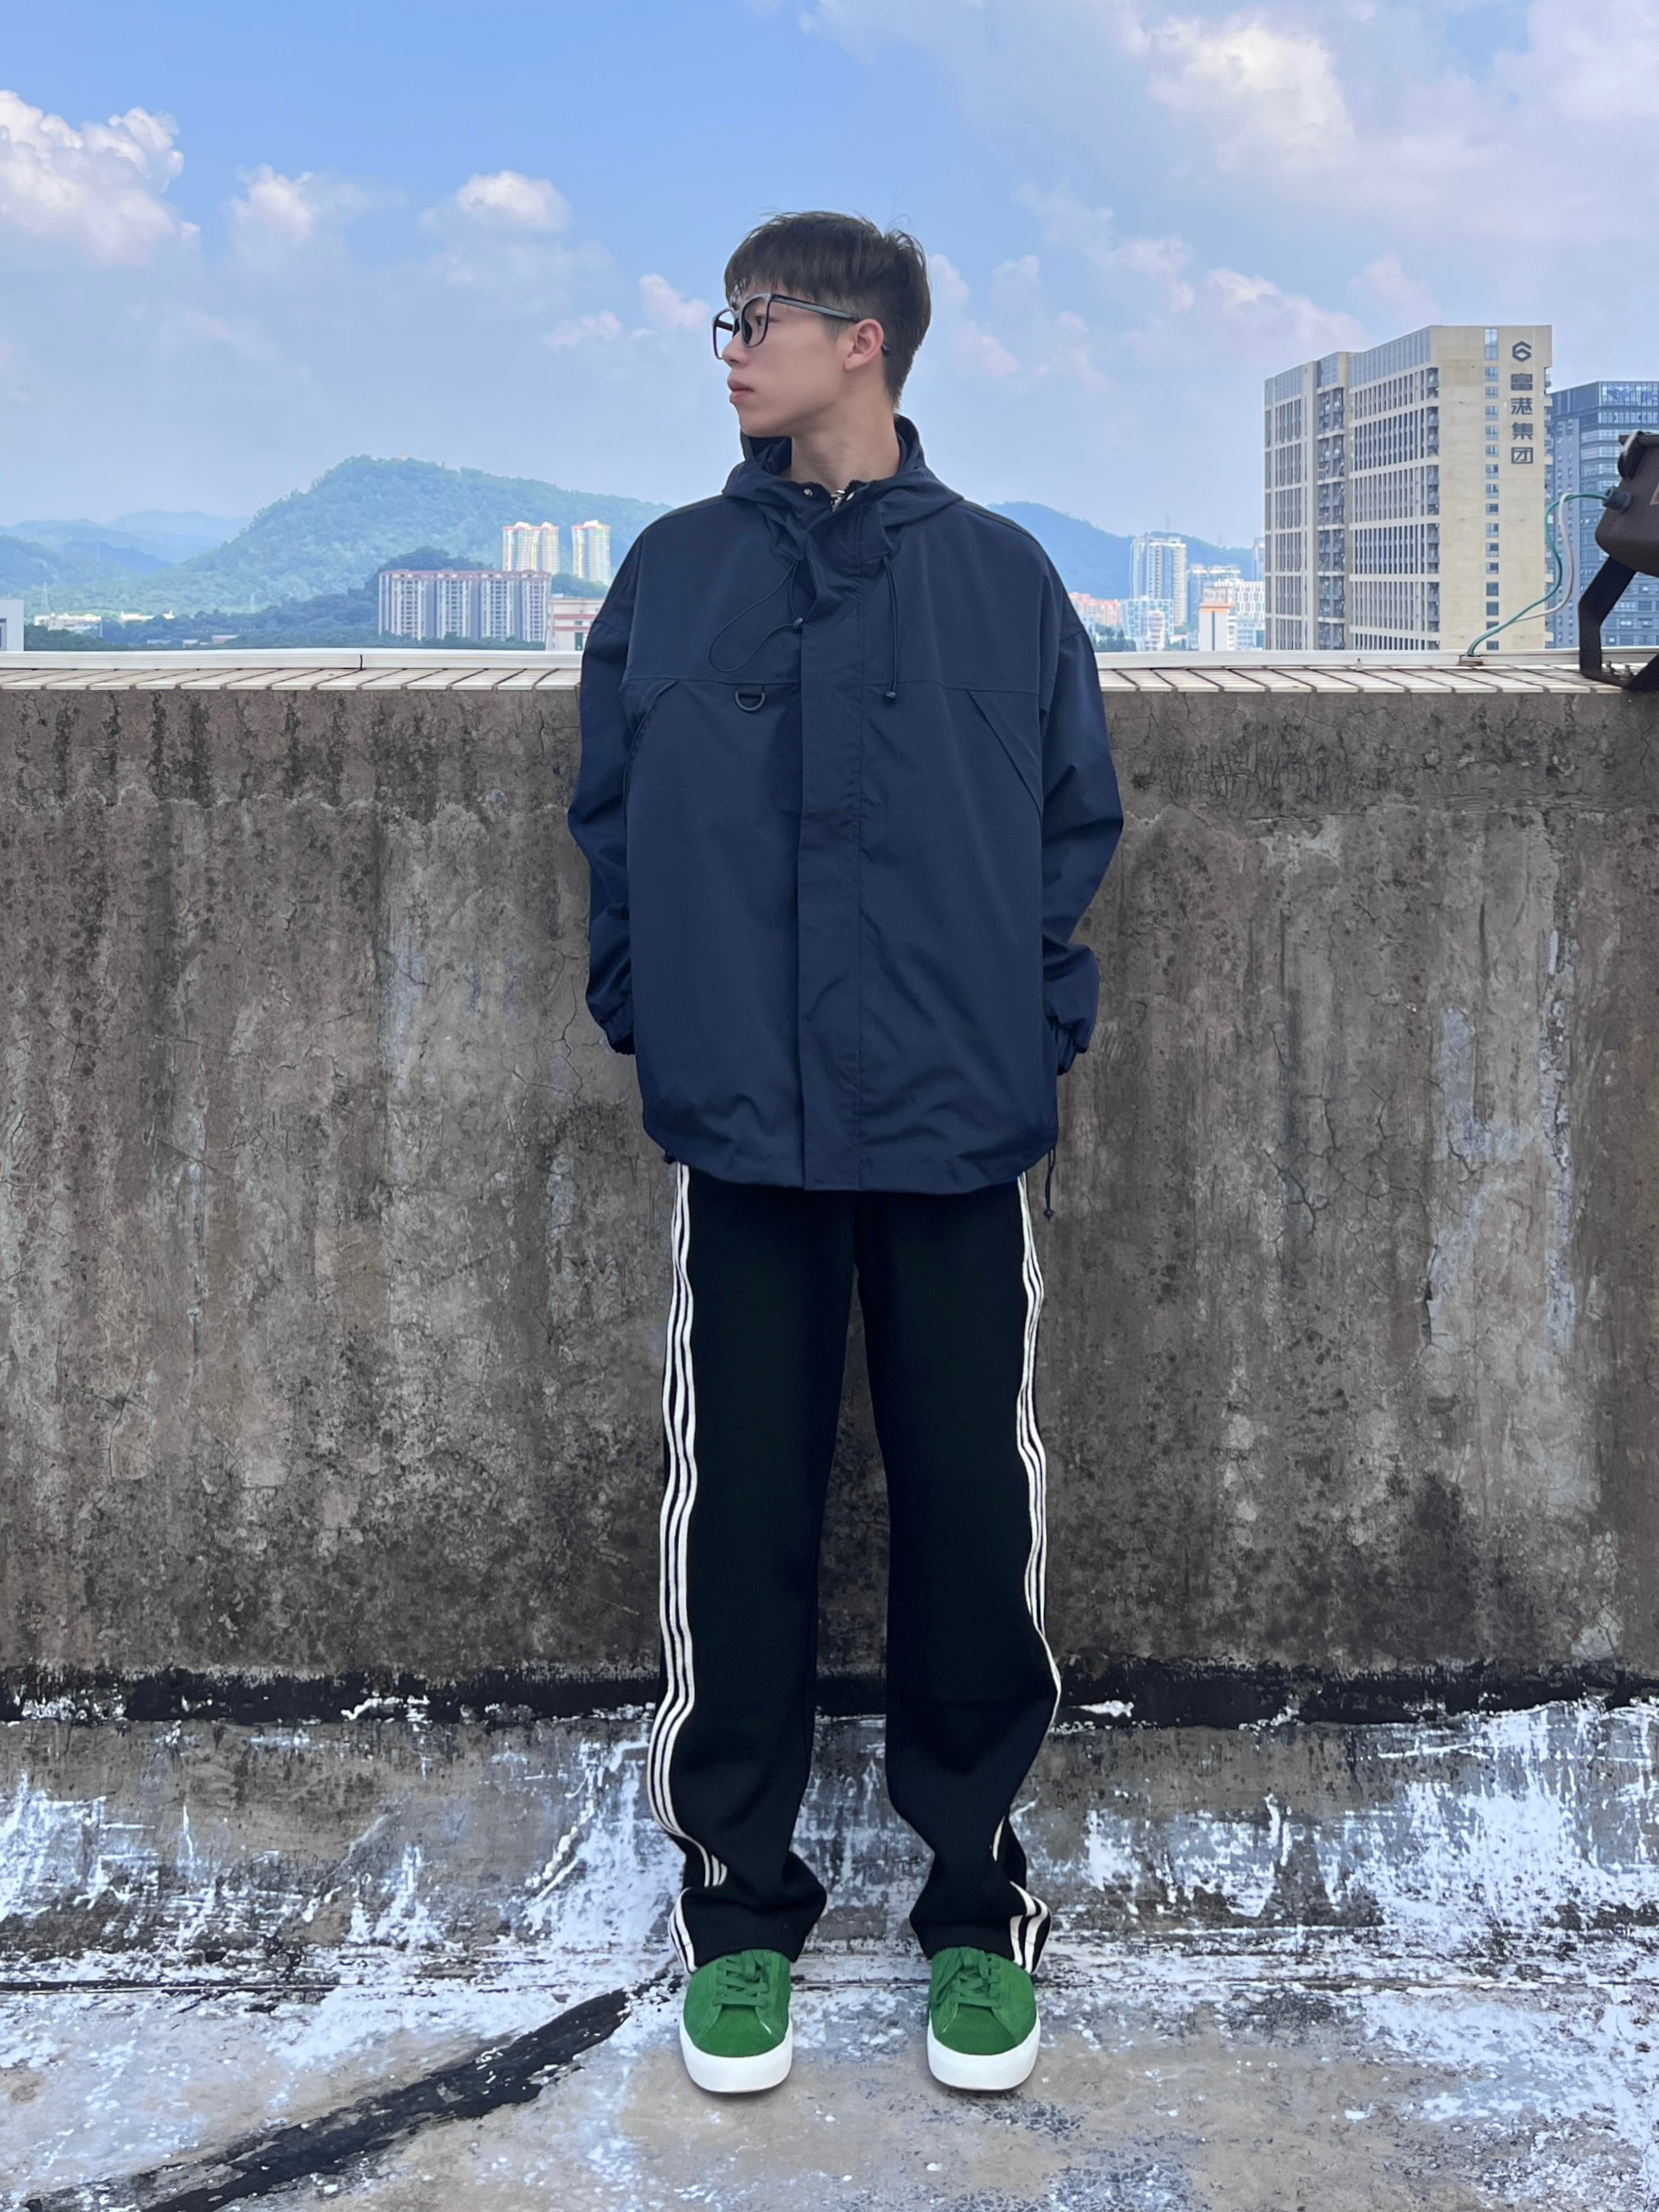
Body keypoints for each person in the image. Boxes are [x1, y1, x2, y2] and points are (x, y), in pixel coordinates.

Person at [568, 211, 1122, 2095]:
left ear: (862, 341)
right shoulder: (676, 571)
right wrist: (653, 1009)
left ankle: (975, 1896)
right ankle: (740, 1906)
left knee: (974, 1505)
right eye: (729, 319)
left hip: (957, 1124)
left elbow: (1071, 826)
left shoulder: (1000, 577)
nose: (732, 349)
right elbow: (611, 820)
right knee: (740, 1514)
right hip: (746, 1129)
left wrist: (1032, 1023)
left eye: (761, 319)